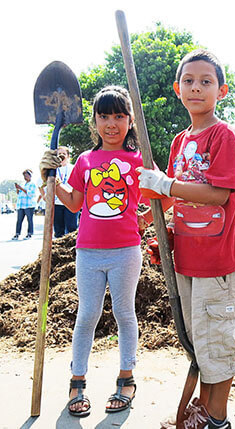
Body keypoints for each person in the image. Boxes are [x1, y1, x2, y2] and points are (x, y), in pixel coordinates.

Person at [136, 48, 235, 429]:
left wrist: (166, 183)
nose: (196, 88)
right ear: (177, 89)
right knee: (199, 340)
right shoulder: (181, 141)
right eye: (189, 81)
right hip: (187, 255)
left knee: (217, 342)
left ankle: (215, 417)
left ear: (222, 91)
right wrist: (151, 221)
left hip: (216, 260)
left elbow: (218, 193)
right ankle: (202, 409)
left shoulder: (223, 136)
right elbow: (173, 193)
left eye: (206, 81)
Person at [39, 86, 146, 417]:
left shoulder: (138, 161)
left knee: (124, 314)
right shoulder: (85, 161)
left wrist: (142, 222)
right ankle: (77, 381)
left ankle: (126, 378)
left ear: (130, 120)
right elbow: (73, 202)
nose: (111, 124)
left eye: (118, 116)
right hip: (88, 252)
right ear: (94, 121)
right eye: (103, 116)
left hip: (126, 251)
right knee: (87, 315)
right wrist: (51, 179)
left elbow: (157, 200)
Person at [12, 169, 37, 240]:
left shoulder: (32, 184)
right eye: (24, 176)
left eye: (26, 175)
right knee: (19, 220)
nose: (25, 177)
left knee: (29, 220)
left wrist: (21, 188)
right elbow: (19, 193)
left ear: (30, 176)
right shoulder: (23, 184)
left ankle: (29, 234)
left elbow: (30, 194)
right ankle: (17, 234)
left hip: (29, 205)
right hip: (21, 205)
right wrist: (18, 189)